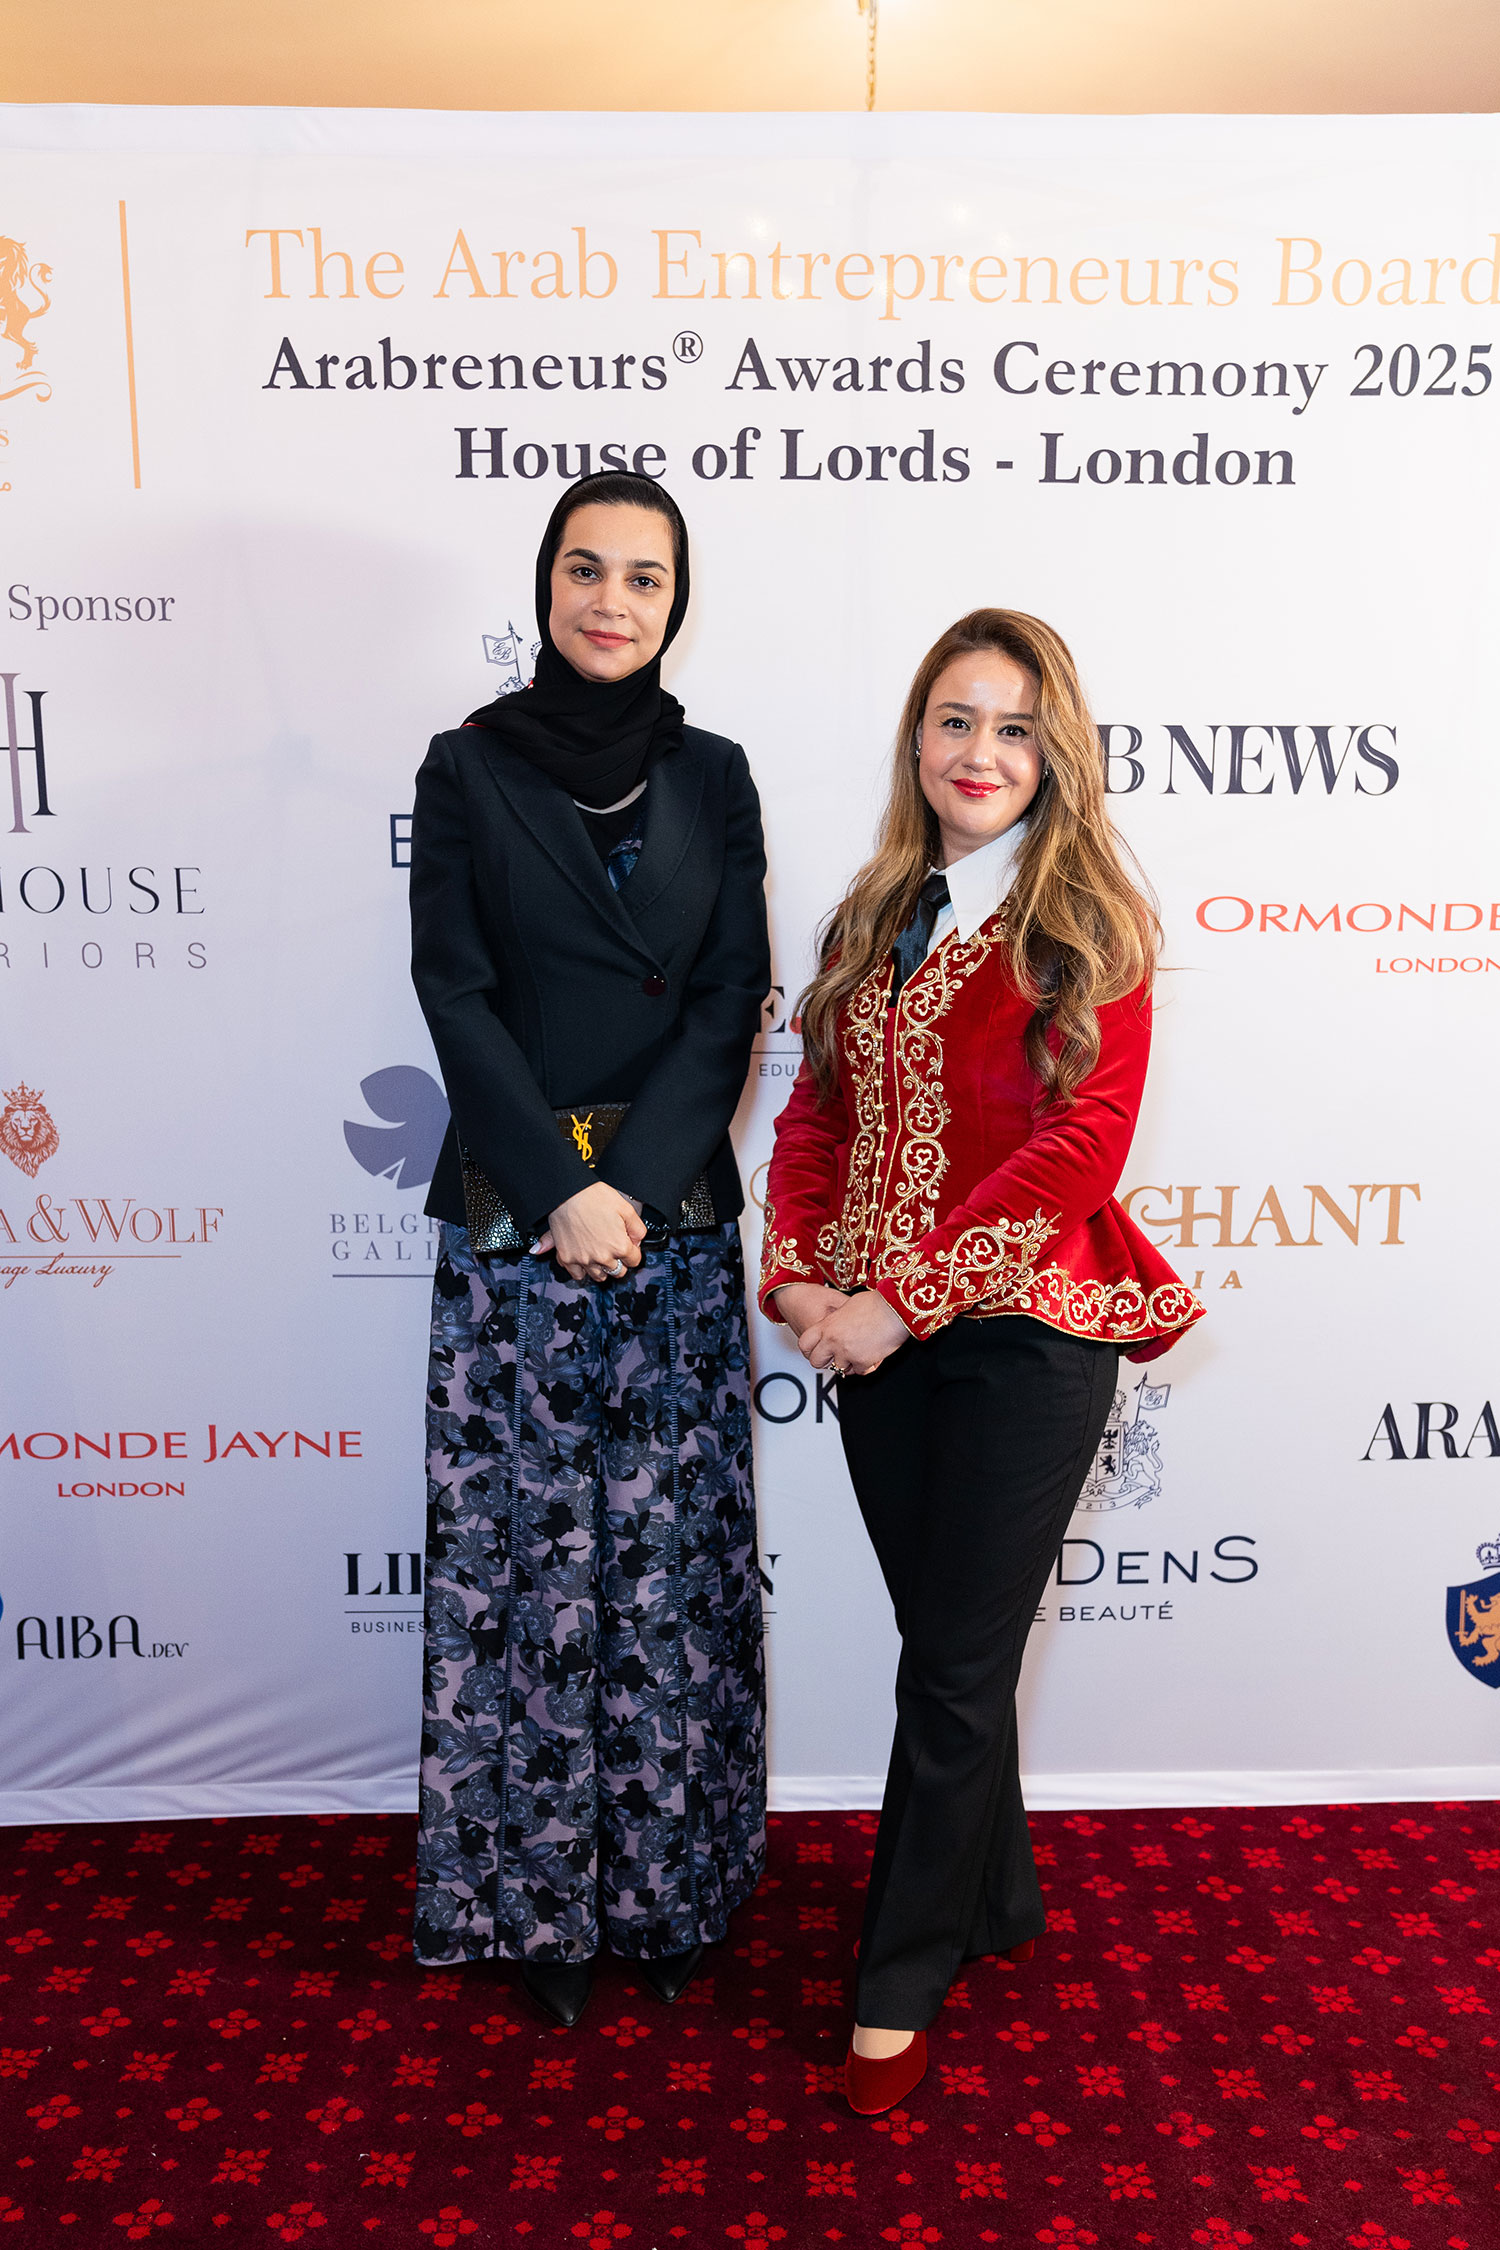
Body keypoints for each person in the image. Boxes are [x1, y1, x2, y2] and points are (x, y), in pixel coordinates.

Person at [759, 608, 1203, 2114]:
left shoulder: (1090, 924)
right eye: (956, 719)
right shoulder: (873, 915)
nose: (981, 752)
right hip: (871, 1342)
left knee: (952, 1667)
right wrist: (802, 1272)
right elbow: (816, 1116)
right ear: (916, 737)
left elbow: (1082, 1148)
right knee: (953, 1648)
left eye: (1015, 728)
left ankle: (896, 1982)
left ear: (1054, 753)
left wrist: (901, 1299)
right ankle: (996, 1893)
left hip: (1028, 1339)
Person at [409, 471, 770, 2028]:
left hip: (671, 1224)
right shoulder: (466, 765)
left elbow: (730, 992)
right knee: (523, 1573)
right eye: (585, 567)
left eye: (644, 575)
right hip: (518, 1231)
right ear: (544, 583)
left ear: (678, 600)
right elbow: (453, 988)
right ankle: (538, 1905)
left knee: (672, 1570)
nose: (611, 599)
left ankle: (672, 1894)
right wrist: (563, 1187)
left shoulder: (719, 774)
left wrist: (630, 1179)